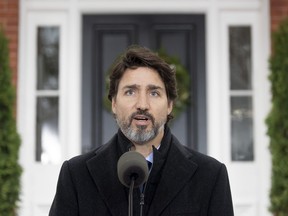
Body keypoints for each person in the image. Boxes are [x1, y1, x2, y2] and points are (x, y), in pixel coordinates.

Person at [49, 45, 234, 216]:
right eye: (130, 91)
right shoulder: (76, 175)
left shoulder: (210, 176)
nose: (142, 105)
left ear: (169, 105)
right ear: (114, 102)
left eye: (154, 93)